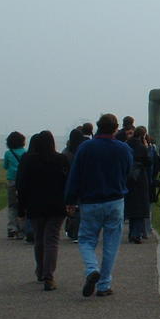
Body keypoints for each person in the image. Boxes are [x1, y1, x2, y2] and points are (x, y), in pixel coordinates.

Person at [65, 113, 133, 297]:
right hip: (115, 200)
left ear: (98, 126)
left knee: (86, 240)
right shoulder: (123, 148)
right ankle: (104, 284)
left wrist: (70, 200)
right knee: (111, 243)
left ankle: (92, 268)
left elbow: (75, 175)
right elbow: (128, 170)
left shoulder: (86, 147)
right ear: (115, 128)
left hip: (91, 200)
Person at [16, 130, 70, 291]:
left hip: (35, 205)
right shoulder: (61, 159)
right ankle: (49, 275)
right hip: (56, 205)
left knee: (39, 239)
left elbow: (21, 185)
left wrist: (21, 208)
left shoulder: (28, 160)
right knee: (52, 240)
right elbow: (67, 182)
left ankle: (40, 270)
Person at [124, 126, 151, 244]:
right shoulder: (141, 147)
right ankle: (136, 234)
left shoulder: (126, 145)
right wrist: (147, 148)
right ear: (143, 135)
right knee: (140, 206)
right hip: (139, 178)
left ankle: (131, 233)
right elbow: (148, 162)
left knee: (132, 205)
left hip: (128, 178)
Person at [62, 129, 86, 242]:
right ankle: (77, 231)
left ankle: (71, 230)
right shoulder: (83, 151)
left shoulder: (66, 153)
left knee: (71, 207)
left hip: (68, 181)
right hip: (82, 181)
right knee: (79, 208)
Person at [3, 131, 27, 239]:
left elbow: (5, 166)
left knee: (12, 205)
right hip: (23, 180)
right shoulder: (25, 152)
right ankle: (23, 228)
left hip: (12, 180)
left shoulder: (8, 153)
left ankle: (12, 228)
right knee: (23, 204)